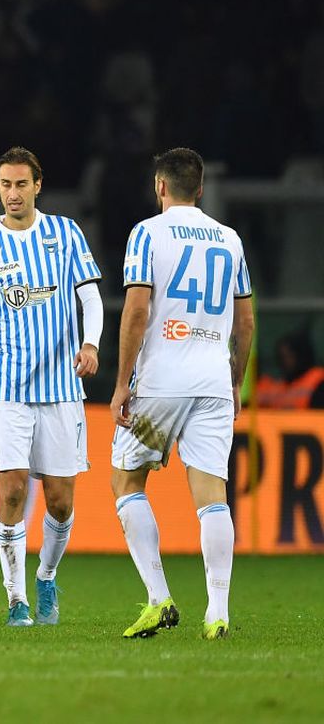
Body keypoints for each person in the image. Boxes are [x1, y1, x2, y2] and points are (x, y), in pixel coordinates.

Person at [111, 148, 254, 640]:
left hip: (161, 382)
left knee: (126, 481)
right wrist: (235, 381)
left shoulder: (147, 233)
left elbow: (136, 312)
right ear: (201, 188)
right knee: (213, 497)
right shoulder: (230, 239)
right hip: (213, 382)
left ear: (160, 186)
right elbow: (246, 320)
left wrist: (121, 384)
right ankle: (218, 613)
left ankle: (159, 598)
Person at [0, 146, 104, 627]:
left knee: (61, 501)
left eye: (22, 184)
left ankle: (46, 576)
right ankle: (16, 599)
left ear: (38, 185)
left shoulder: (65, 233)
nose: (13, 193)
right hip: (7, 388)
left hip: (62, 387)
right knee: (13, 492)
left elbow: (91, 297)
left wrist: (90, 343)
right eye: (6, 184)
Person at [256, 331, 324, 409]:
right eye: (281, 357)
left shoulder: (318, 379)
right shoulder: (277, 385)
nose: (285, 361)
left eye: (289, 356)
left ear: (300, 355)